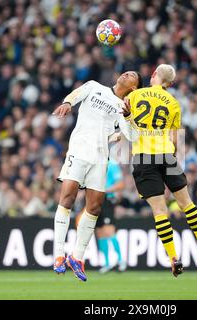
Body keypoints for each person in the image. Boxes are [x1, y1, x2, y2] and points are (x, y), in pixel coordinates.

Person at [52, 71, 142, 281]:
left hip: (101, 158)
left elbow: (133, 136)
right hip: (79, 150)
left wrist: (128, 117)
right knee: (67, 198)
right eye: (126, 72)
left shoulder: (124, 108)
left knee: (94, 207)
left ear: (134, 87)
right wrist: (67, 103)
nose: (125, 74)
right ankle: (58, 255)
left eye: (132, 76)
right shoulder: (94, 86)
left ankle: (77, 257)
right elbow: (77, 93)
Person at [125, 64, 197, 277]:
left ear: (153, 75)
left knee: (160, 211)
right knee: (187, 203)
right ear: (169, 84)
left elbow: (127, 126)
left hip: (144, 157)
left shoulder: (136, 95)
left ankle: (173, 256)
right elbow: (174, 138)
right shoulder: (173, 103)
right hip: (167, 155)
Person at [96, 159, 127, 273]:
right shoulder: (94, 162)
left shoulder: (112, 164)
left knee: (109, 231)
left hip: (106, 199)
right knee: (100, 232)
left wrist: (104, 190)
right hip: (94, 199)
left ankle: (120, 261)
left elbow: (120, 184)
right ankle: (107, 263)